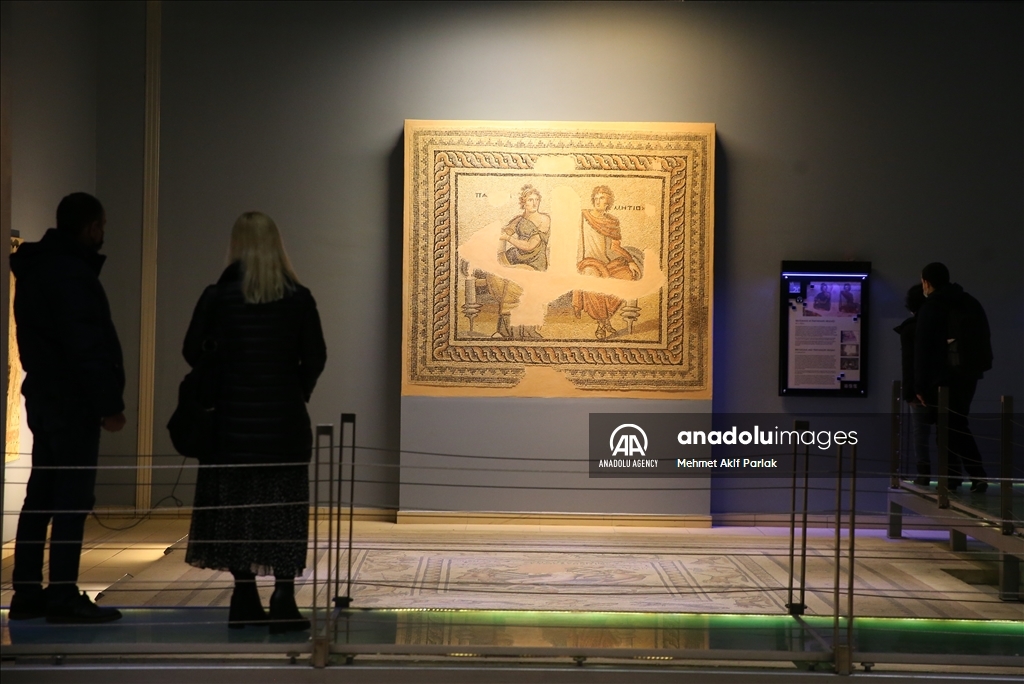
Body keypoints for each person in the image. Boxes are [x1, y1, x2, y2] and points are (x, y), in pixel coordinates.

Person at [183, 211, 327, 632]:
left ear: (237, 246)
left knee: (236, 512)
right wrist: (295, 391)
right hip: (284, 426)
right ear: (277, 246)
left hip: (230, 427)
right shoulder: (299, 299)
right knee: (283, 513)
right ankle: (283, 597)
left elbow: (191, 352)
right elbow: (315, 357)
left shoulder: (217, 297)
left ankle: (243, 595)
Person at [8, 192, 126, 623]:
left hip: (43, 396)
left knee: (40, 497)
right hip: (73, 403)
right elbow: (85, 346)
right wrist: (108, 404)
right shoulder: (72, 275)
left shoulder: (36, 269)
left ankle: (26, 592)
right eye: (101, 226)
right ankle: (62, 595)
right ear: (90, 227)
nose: (102, 233)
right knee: (72, 500)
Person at [914, 262, 990, 493]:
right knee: (955, 424)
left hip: (942, 378)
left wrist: (920, 386)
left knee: (949, 426)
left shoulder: (931, 306)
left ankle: (965, 476)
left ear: (926, 282)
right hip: (969, 374)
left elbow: (923, 349)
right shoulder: (969, 302)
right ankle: (960, 477)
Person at [572, 185, 641, 339]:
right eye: (596, 198)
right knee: (593, 280)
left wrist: (630, 261)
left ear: (608, 201)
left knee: (627, 276)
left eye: (602, 198)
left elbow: (615, 247)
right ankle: (603, 324)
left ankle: (604, 321)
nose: (598, 201)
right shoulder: (583, 215)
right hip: (588, 263)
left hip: (606, 264)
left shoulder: (612, 221)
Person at [485, 185, 550, 339]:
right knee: (497, 275)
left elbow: (530, 246)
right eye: (530, 200)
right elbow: (504, 232)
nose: (534, 203)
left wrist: (508, 238)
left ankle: (517, 331)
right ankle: (506, 331)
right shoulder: (518, 220)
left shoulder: (544, 219)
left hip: (534, 262)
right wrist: (498, 240)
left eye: (536, 200)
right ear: (523, 203)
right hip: (516, 258)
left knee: (514, 284)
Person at [894, 284, 932, 486]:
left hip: (918, 387)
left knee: (920, 433)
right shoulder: (940, 325)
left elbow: (908, 363)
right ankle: (953, 476)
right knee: (948, 431)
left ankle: (924, 473)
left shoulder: (909, 329)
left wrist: (910, 392)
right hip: (942, 386)